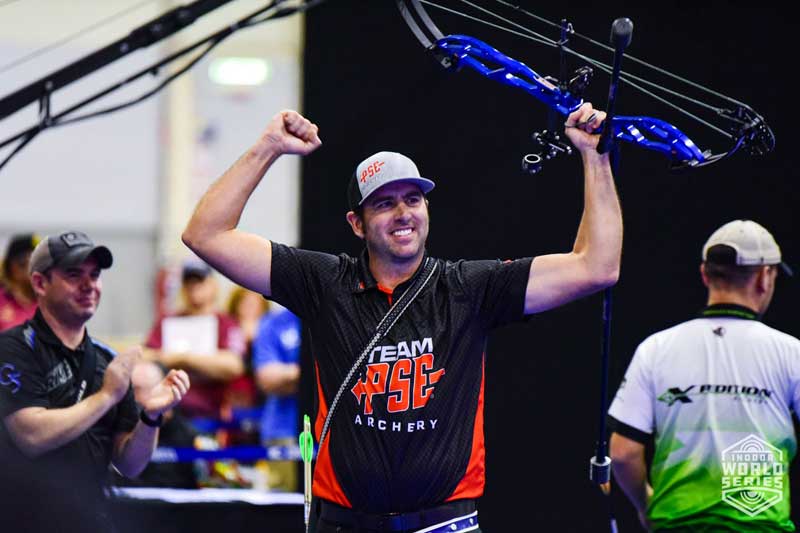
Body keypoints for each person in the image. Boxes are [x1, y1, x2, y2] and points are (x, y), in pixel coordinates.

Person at [181, 106, 621, 532]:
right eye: (384, 203)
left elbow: (596, 267)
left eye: (413, 199)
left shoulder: (468, 287)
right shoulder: (324, 283)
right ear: (357, 223)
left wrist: (594, 156)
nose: (403, 213)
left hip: (444, 524)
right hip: (344, 523)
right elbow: (205, 234)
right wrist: (269, 146)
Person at [608, 220, 799, 532]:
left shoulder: (656, 348)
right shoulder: (791, 352)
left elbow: (622, 453)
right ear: (765, 277)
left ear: (704, 274)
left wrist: (645, 507)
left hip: (675, 525)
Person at [0, 230, 190, 532]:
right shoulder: (14, 348)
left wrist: (151, 417)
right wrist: (105, 396)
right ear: (40, 283)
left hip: (91, 522)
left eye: (95, 274)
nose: (89, 285)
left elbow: (130, 464)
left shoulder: (107, 360)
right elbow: (31, 437)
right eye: (73, 274)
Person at [144, 256, 246, 421]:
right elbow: (145, 355)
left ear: (213, 284)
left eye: (199, 281)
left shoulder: (226, 324)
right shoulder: (167, 321)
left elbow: (233, 365)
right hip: (169, 413)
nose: (194, 287)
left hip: (210, 415)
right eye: (189, 283)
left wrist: (183, 358)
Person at [112, 360, 200, 489]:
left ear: (169, 389)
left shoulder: (192, 438)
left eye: (141, 390)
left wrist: (153, 414)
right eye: (130, 391)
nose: (135, 399)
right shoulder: (115, 433)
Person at [252, 304, 302, 491]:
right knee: (284, 502)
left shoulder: (334, 316)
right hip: (283, 431)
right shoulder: (274, 322)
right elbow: (267, 378)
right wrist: (309, 372)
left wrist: (290, 376)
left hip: (332, 431)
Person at [0, 233, 39, 331]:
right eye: (23, 263)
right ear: (9, 266)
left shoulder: (49, 301)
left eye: (35, 262)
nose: (29, 269)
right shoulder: (2, 300)